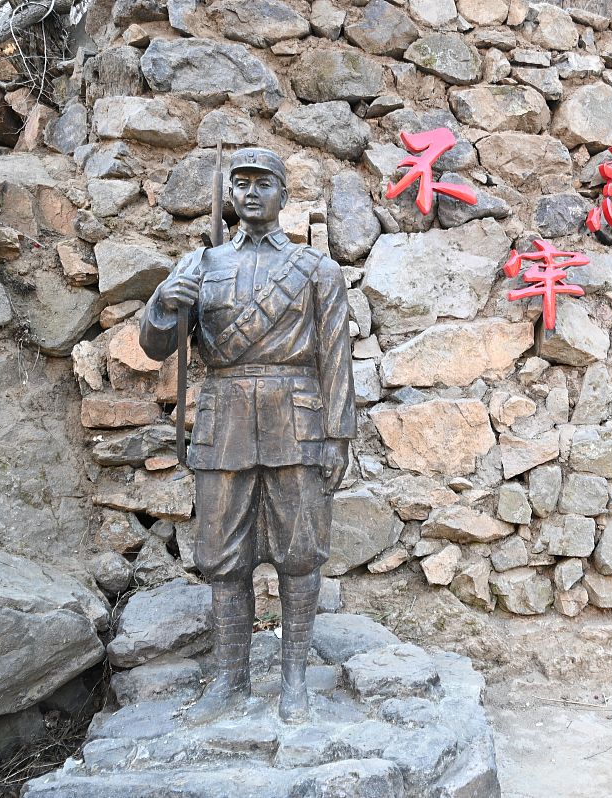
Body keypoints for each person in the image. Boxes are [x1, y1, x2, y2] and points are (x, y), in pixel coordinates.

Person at [139, 147, 355, 723]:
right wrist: (165, 304)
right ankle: (229, 679)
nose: (253, 193)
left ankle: (294, 681)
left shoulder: (317, 271)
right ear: (229, 195)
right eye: (241, 183)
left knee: (301, 552)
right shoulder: (199, 266)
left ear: (284, 194)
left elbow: (335, 356)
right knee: (221, 556)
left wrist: (338, 436)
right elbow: (158, 346)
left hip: (298, 420)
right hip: (224, 418)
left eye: (265, 183)